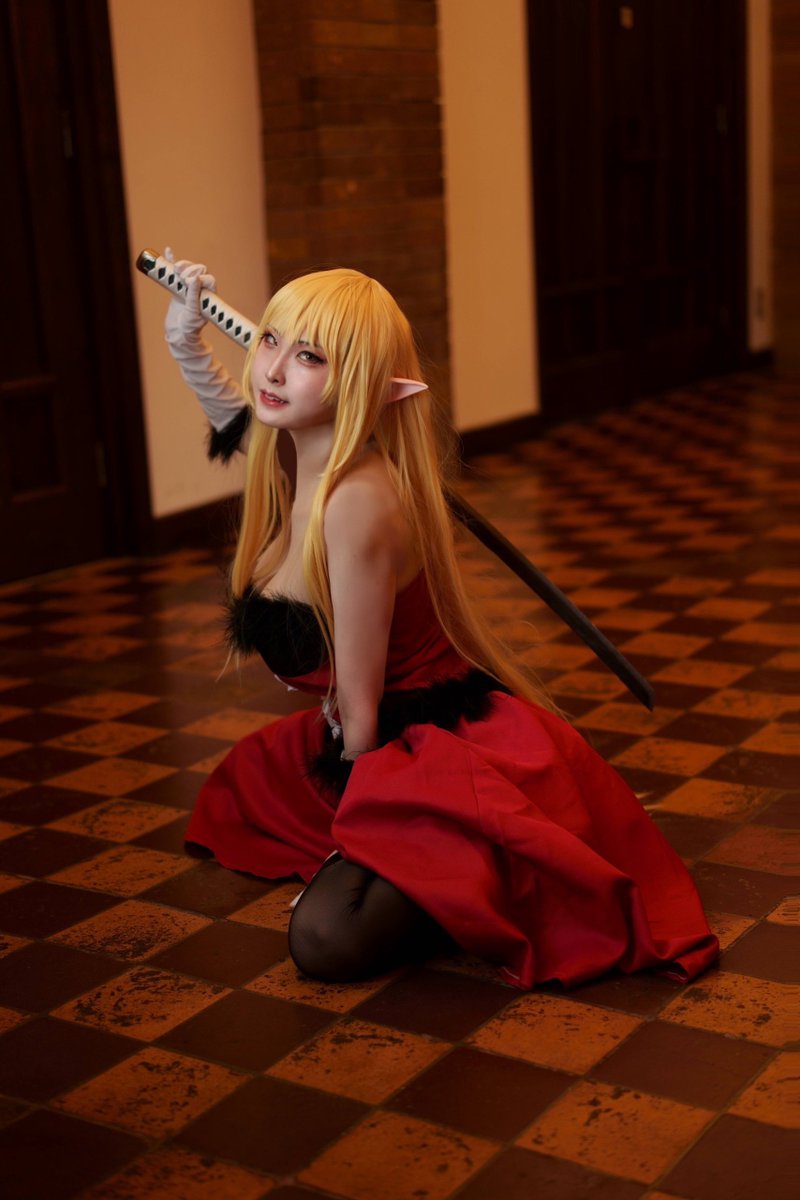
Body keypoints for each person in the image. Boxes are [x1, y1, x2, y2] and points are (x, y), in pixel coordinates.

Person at [163, 252, 719, 989]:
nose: (272, 369)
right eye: (271, 339)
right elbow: (246, 422)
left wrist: (358, 842)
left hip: (420, 747)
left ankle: (475, 861)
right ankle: (445, 863)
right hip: (359, 728)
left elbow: (363, 710)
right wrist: (185, 341)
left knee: (324, 940)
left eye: (309, 356)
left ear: (363, 385)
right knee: (243, 789)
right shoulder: (304, 458)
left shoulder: (354, 504)